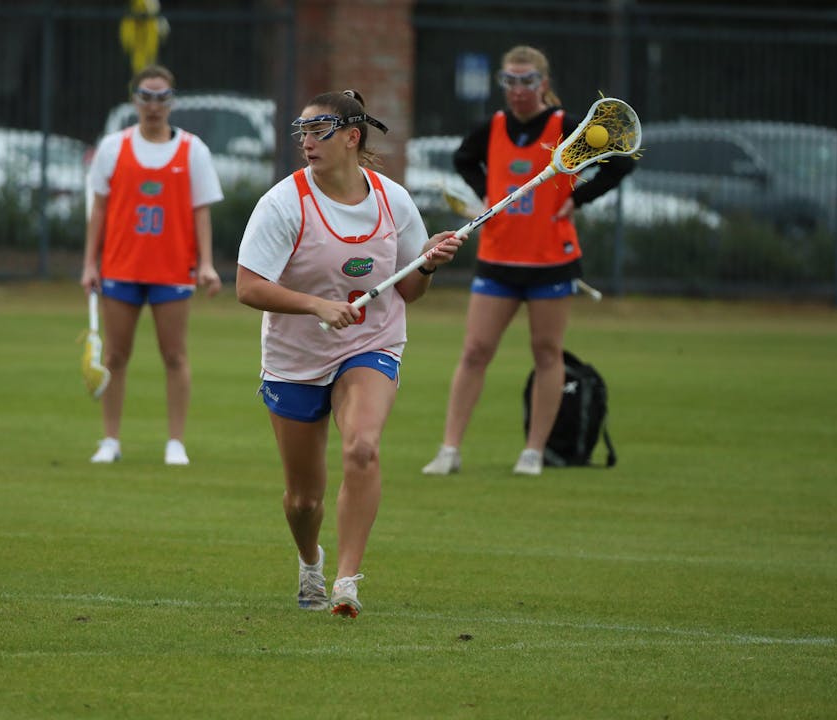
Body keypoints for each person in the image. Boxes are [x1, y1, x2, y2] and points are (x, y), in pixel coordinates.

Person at [236, 90, 462, 618]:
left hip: (370, 342)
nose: (307, 142)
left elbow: (409, 293)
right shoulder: (282, 203)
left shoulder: (393, 201)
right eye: (303, 133)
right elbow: (247, 287)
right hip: (295, 359)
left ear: (351, 137)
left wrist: (426, 265)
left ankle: (345, 580)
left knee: (362, 447)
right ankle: (310, 560)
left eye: (319, 132)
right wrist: (316, 305)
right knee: (303, 499)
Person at [421, 45, 634, 477]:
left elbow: (619, 162)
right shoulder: (492, 127)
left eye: (527, 81)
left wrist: (578, 198)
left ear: (544, 83)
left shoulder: (568, 129)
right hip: (498, 257)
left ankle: (534, 451)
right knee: (476, 350)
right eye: (510, 81)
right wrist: (486, 191)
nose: (517, 90)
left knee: (546, 351)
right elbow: (464, 159)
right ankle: (449, 449)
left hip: (550, 260)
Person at [81, 64, 224, 465]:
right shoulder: (114, 147)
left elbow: (201, 213)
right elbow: (99, 210)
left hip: (173, 269)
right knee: (114, 356)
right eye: (146, 96)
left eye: (162, 97)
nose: (154, 106)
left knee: (175, 355)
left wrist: (206, 264)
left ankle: (175, 442)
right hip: (121, 267)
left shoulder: (193, 150)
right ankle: (110, 440)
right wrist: (89, 264)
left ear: (172, 101)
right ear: (134, 100)